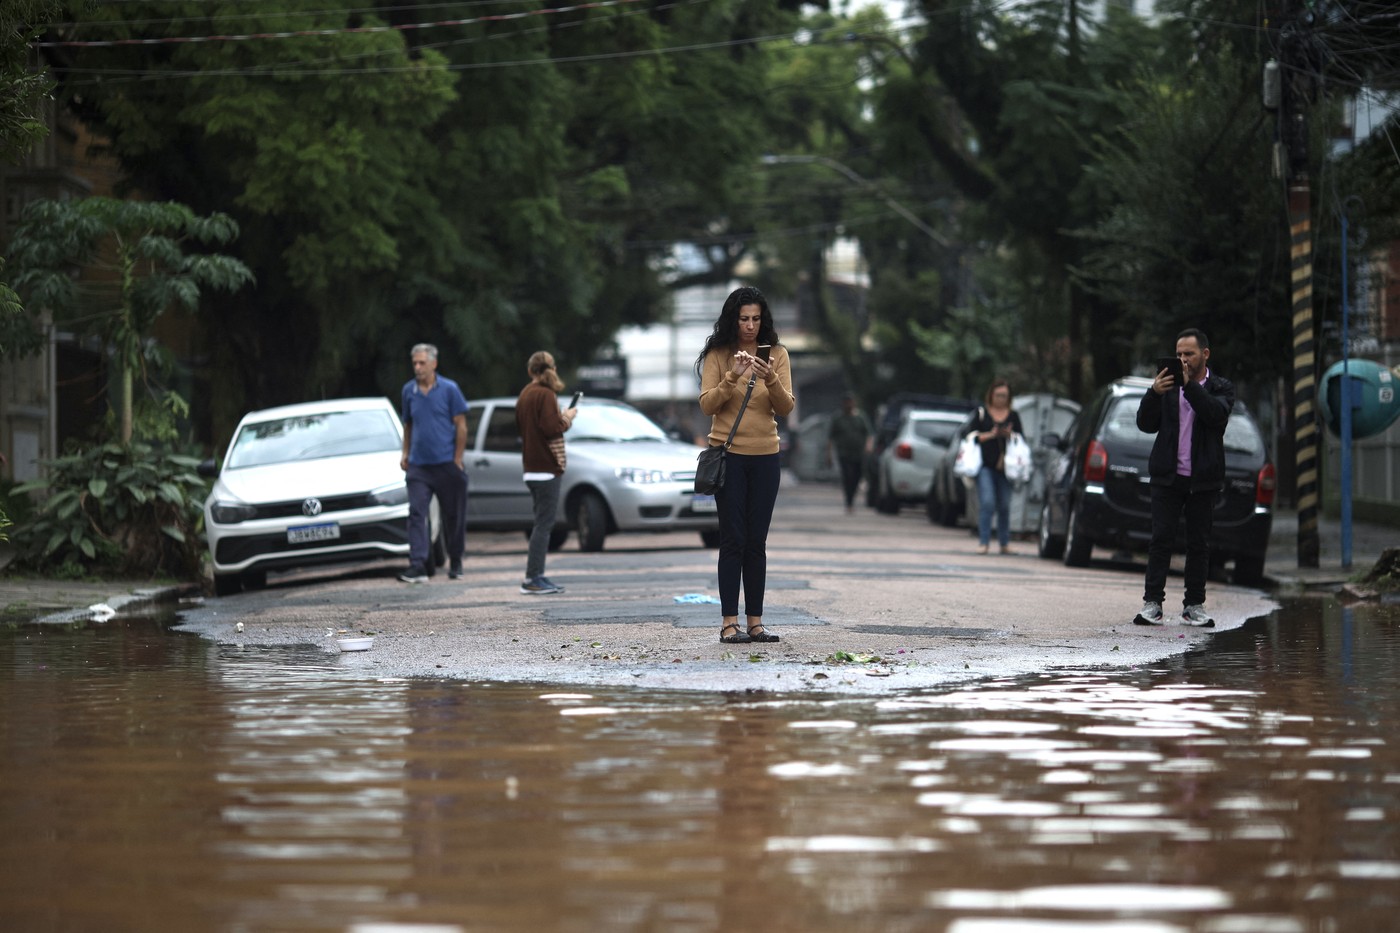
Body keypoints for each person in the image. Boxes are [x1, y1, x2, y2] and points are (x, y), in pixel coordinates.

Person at [696, 286, 795, 644]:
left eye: (755, 318)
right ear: (732, 320)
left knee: (757, 541)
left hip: (766, 457)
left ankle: (755, 622)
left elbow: (785, 407)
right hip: (729, 456)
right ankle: (729, 623)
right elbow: (707, 405)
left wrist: (770, 378)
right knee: (733, 539)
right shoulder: (719, 355)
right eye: (743, 319)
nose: (750, 326)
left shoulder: (777, 354)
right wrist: (733, 376)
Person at [1133, 328, 1234, 627]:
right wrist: (1154, 393)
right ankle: (1153, 604)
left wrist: (1190, 386)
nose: (1183, 360)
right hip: (1168, 475)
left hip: (1202, 478)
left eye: (1188, 353)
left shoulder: (1220, 387)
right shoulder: (1166, 388)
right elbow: (1145, 424)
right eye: (1178, 354)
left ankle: (1194, 606)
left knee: (1198, 544)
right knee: (1161, 539)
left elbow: (1215, 415)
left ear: (1205, 354)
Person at [398, 343, 469, 583]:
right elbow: (408, 425)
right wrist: (405, 453)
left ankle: (456, 560)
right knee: (417, 513)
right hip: (419, 466)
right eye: (415, 363)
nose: (417, 368)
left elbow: (461, 425)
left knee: (453, 516)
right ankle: (417, 565)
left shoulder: (449, 389)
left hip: (446, 463)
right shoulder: (409, 391)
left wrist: (457, 458)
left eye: (422, 363)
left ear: (433, 364)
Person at [515, 351, 577, 595]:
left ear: (531, 371)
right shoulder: (547, 394)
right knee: (543, 525)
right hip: (546, 469)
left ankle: (536, 575)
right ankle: (533, 577)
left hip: (530, 468)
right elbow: (552, 429)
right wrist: (568, 417)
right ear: (553, 368)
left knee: (541, 523)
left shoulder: (525, 394)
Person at [970, 380, 1024, 555]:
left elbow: (1021, 439)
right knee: (987, 502)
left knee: (1005, 505)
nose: (1001, 399)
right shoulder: (982, 414)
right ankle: (984, 542)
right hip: (985, 465)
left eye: (1005, 396)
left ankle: (1004, 543)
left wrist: (1010, 435)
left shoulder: (1013, 415)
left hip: (1006, 467)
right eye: (998, 395)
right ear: (991, 395)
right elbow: (972, 437)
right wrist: (991, 435)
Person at [826, 394, 871, 513]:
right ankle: (849, 502)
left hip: (859, 453)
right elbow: (830, 437)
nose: (849, 405)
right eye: (847, 402)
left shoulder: (860, 417)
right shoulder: (838, 418)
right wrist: (829, 454)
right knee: (847, 477)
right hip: (844, 453)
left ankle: (852, 498)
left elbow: (868, 434)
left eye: (851, 402)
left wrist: (868, 447)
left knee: (857, 477)